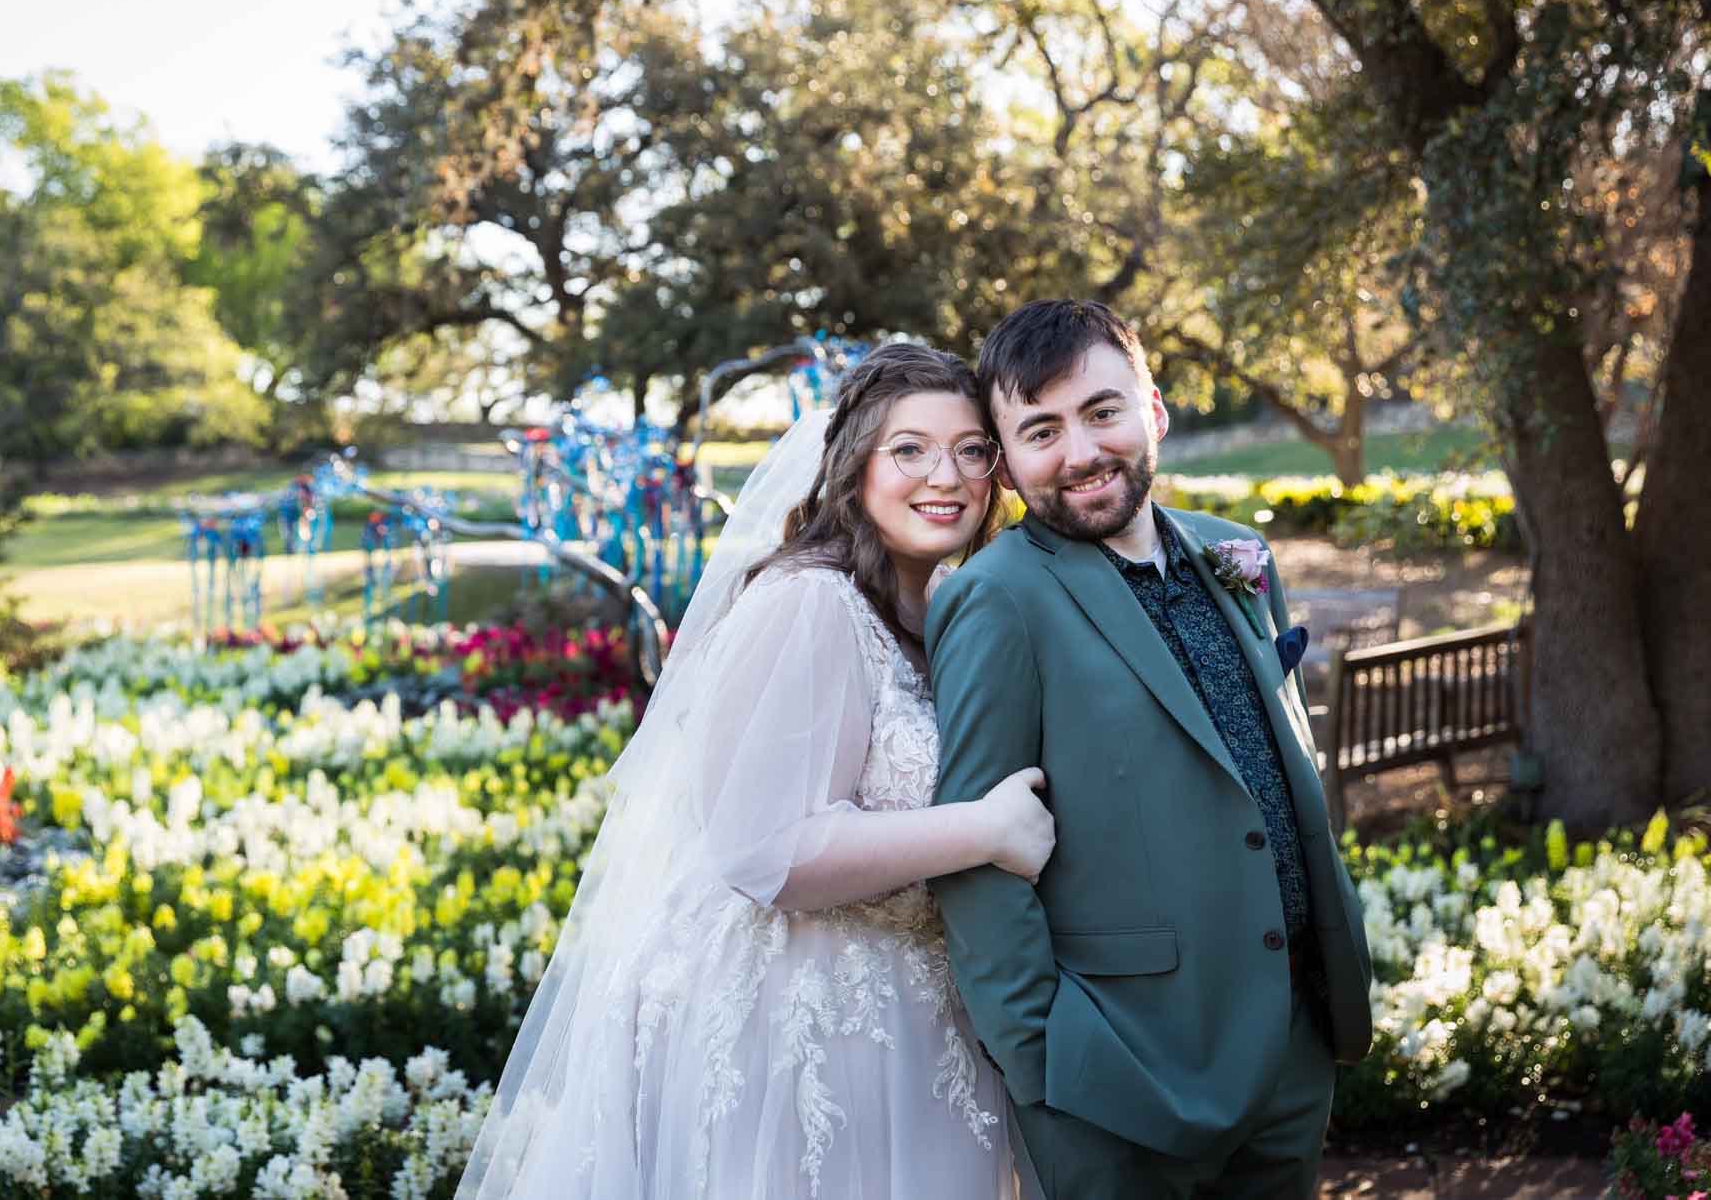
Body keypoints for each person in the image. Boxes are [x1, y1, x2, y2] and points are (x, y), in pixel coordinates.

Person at [460, 343, 1057, 1199]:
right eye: (911, 449)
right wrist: (985, 831)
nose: (948, 474)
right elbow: (764, 849)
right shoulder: (810, 601)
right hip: (790, 1017)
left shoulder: (937, 611)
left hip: (916, 1013)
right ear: (855, 469)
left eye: (972, 450)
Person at [926, 299, 1375, 1198]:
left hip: (1292, 1046)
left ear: (1153, 410)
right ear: (1008, 462)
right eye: (1041, 429)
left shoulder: (1235, 553)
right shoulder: (998, 599)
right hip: (1117, 1080)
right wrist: (1045, 1063)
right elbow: (974, 851)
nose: (1082, 451)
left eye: (1102, 411)